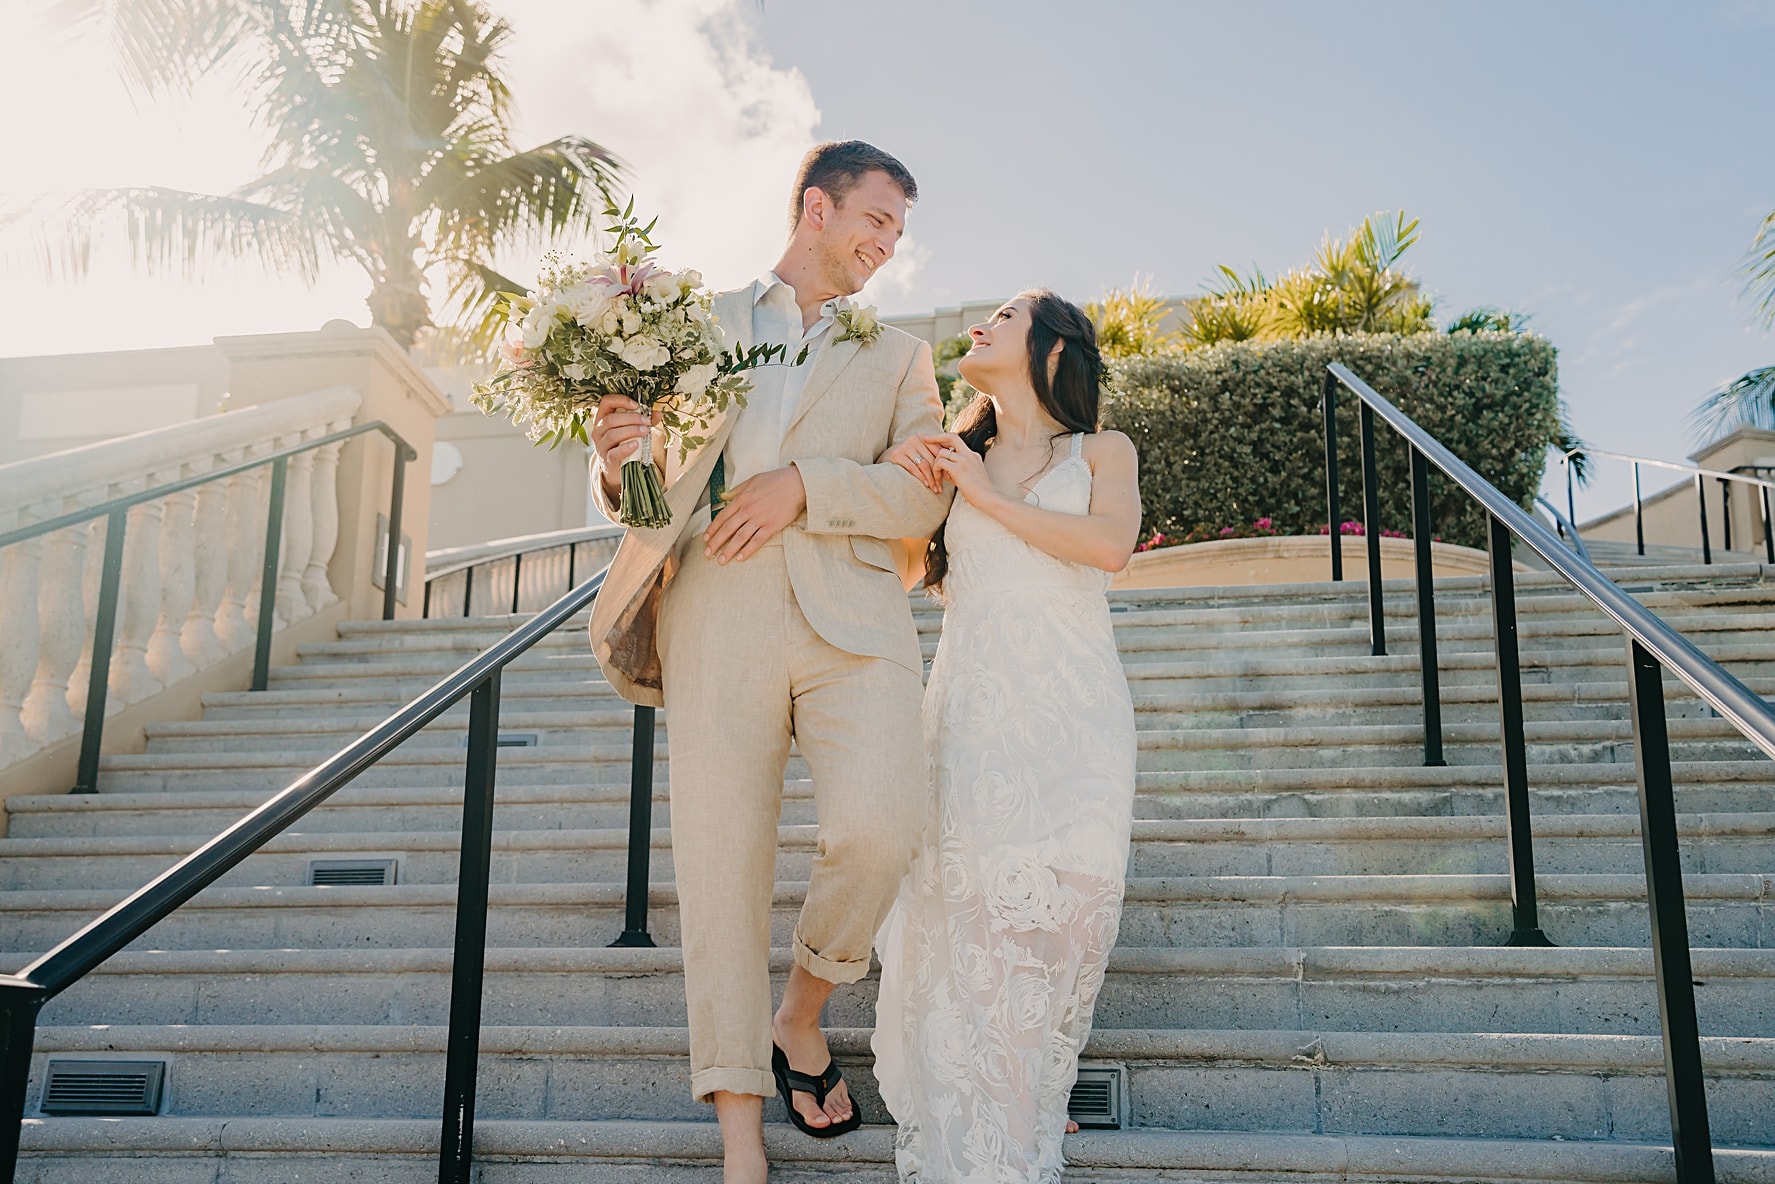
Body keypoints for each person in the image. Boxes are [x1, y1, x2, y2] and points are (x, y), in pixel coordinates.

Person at [585, 140, 950, 1183]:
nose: (886, 246)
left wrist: (803, 485)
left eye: (898, 233)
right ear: (814, 208)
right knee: (718, 873)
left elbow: (920, 492)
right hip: (715, 611)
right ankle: (739, 1138)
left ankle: (803, 1009)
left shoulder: (901, 355)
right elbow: (661, 512)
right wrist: (626, 471)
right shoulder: (693, 325)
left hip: (855, 621)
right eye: (875, 220)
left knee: (880, 825)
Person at [872, 291, 1142, 1183]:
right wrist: (909, 484)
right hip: (974, 712)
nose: (980, 326)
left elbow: (1108, 548)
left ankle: (1027, 1107)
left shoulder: (1102, 450)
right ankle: (999, 1148)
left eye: (1006, 315)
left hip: (1078, 719)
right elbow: (903, 571)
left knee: (1063, 930)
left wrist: (981, 491)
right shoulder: (953, 459)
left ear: (1055, 348)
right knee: (979, 930)